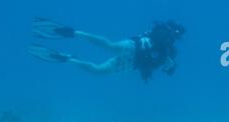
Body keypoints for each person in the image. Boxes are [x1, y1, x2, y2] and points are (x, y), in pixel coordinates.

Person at [30, 18, 185, 81]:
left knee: (98, 71)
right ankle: (74, 33)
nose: (173, 37)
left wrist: (170, 65)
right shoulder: (161, 35)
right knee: (109, 46)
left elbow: (168, 71)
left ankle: (68, 58)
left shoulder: (171, 51)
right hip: (134, 47)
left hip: (132, 64)